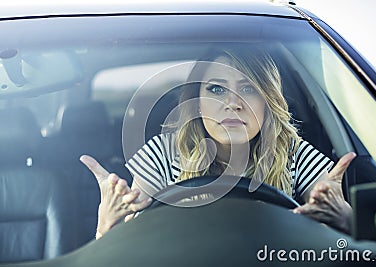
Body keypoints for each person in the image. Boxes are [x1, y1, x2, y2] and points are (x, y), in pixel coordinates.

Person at [80, 47, 355, 240]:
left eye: (249, 89)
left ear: (267, 102)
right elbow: (130, 242)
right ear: (196, 101)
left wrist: (346, 221)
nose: (233, 104)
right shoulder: (164, 152)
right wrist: (108, 226)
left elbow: (336, 235)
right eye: (216, 89)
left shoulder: (294, 153)